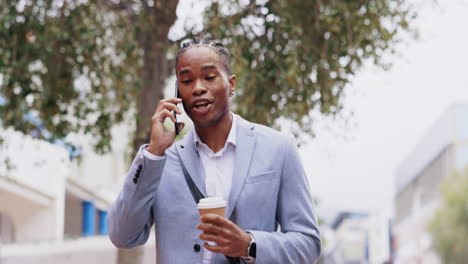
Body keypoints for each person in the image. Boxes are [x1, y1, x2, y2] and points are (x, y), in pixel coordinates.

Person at [107, 37, 321, 264]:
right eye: (187, 80)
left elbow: (308, 244)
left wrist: (249, 245)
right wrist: (153, 153)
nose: (198, 88)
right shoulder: (161, 160)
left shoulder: (278, 149)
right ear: (178, 93)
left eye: (209, 77)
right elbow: (123, 236)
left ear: (232, 84)